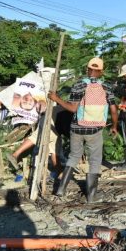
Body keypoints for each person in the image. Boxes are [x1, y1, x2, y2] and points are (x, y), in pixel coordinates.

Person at [48, 57, 118, 203]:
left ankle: (61, 189)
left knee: (74, 156)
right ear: (101, 71)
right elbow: (113, 108)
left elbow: (73, 108)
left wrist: (56, 98)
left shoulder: (79, 85)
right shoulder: (107, 87)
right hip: (95, 130)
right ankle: (91, 196)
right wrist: (114, 126)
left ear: (88, 69)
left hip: (76, 128)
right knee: (95, 160)